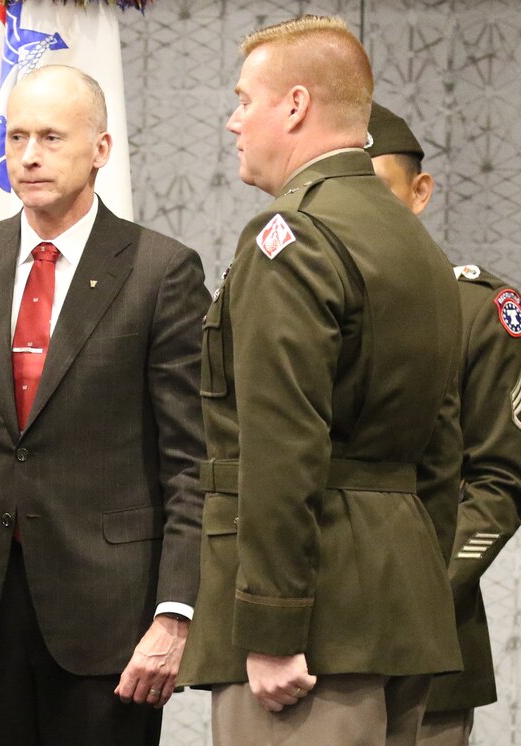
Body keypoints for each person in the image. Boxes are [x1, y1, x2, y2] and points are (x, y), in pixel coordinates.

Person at [0, 64, 209, 744]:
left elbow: (191, 461)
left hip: (110, 624)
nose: (28, 156)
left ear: (101, 148)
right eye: (17, 136)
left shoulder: (161, 272)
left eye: (52, 137)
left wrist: (175, 613)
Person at [178, 16, 464, 744]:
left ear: (296, 106)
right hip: (397, 608)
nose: (234, 119)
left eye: (247, 99)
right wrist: (416, 592)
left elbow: (281, 439)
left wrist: (272, 624)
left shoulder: (293, 238)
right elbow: (441, 446)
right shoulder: (413, 241)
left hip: (310, 634)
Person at [367, 102, 521, 746]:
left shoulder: (477, 310)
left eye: (375, 192)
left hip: (425, 647)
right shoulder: (286, 300)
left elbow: (500, 480)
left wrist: (417, 593)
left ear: (419, 193)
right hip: (294, 648)